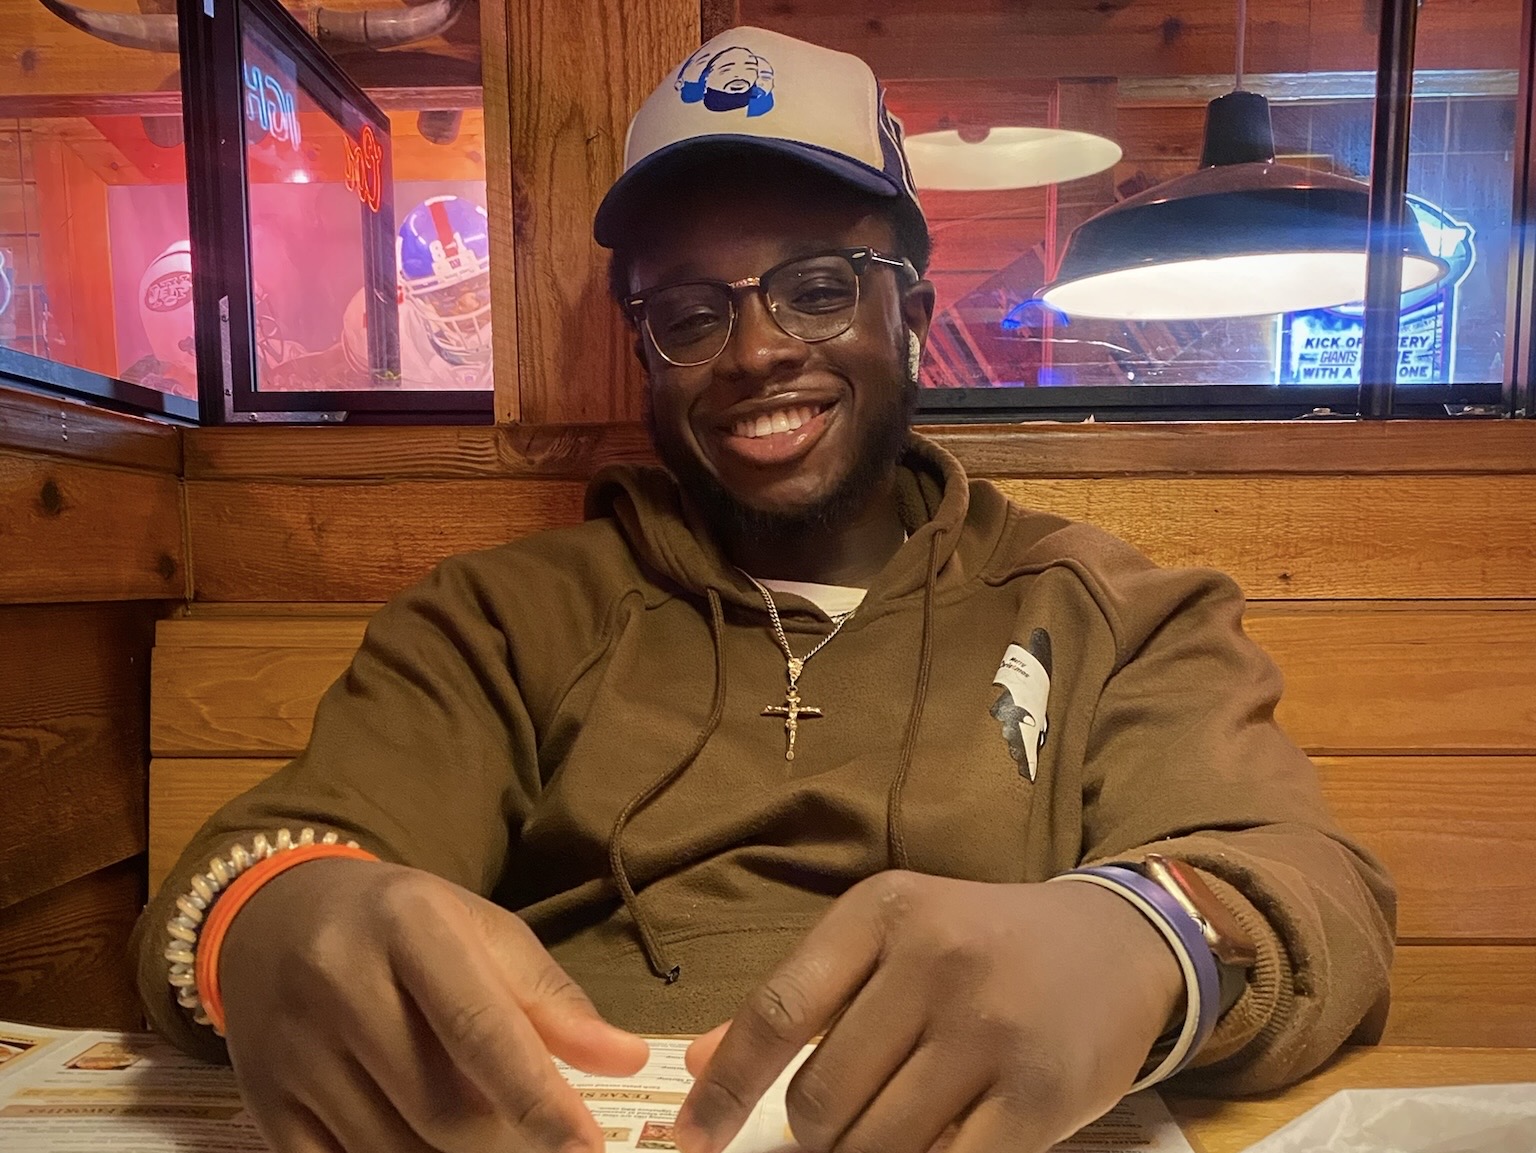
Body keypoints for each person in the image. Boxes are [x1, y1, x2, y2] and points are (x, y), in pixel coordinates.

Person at [134, 26, 1395, 1153]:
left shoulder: (1110, 608)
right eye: (688, 312)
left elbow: (1302, 882)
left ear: (913, 312)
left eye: (818, 286)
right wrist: (276, 917)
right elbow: (256, 865)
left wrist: (1148, 938)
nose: (756, 352)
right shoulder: (506, 617)